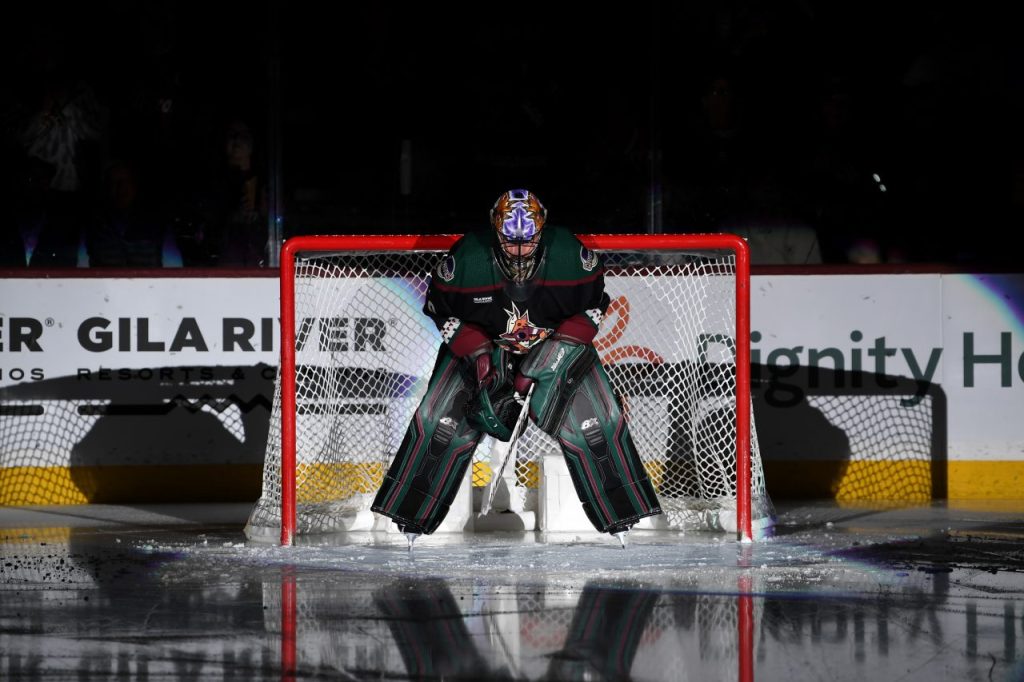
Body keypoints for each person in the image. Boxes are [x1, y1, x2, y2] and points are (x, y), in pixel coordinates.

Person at [371, 189, 662, 545]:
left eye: (529, 240)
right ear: (496, 231)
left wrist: (551, 358)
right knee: (440, 422)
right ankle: (411, 516)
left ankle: (622, 513)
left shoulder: (570, 254)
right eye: (511, 242)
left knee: (595, 423)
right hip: (485, 344)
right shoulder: (467, 259)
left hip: (555, 343)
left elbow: (593, 309)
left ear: (542, 230)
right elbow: (439, 309)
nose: (521, 250)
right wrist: (477, 355)